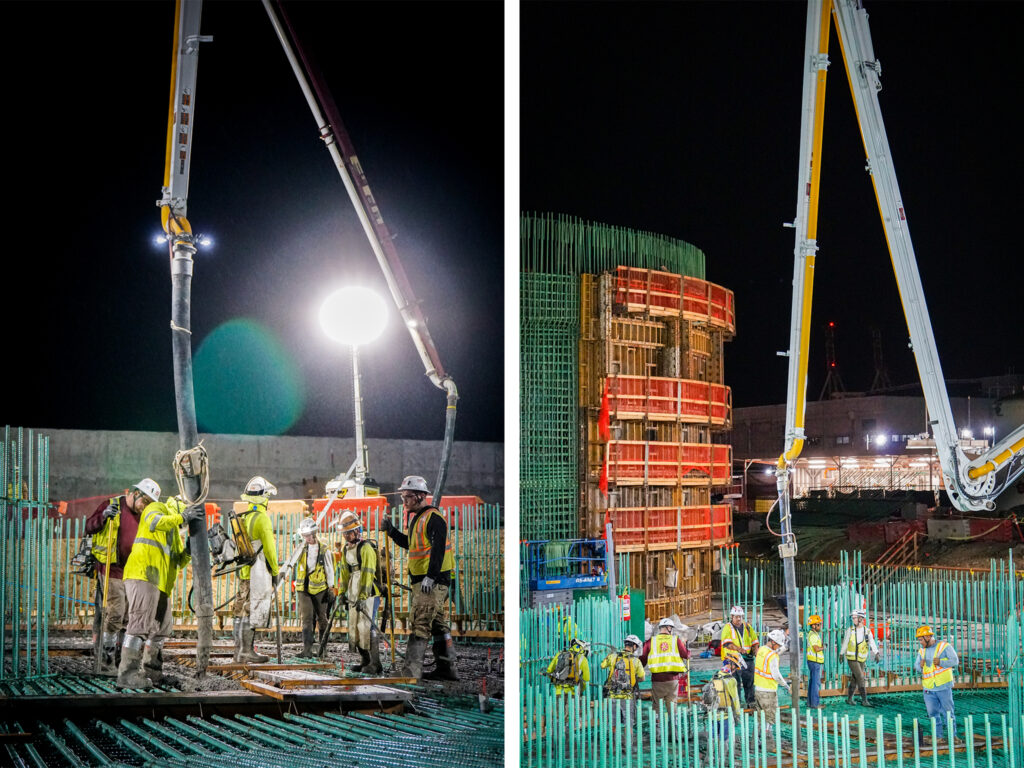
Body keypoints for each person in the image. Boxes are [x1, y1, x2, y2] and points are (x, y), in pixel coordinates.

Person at [117, 495, 201, 688]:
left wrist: (188, 551)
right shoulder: (156, 508)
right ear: (180, 507)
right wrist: (182, 517)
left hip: (160, 583)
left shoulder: (173, 532)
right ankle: (127, 674)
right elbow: (155, 523)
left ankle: (152, 672)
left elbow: (178, 561)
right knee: (140, 624)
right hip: (143, 574)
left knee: (162, 629)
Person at [381, 475, 457, 680]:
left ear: (421, 496)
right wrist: (391, 532)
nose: (404, 501)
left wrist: (430, 577)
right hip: (423, 581)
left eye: (407, 497)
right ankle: (447, 669)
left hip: (432, 582)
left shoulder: (434, 518)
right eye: (403, 497)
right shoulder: (417, 518)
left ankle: (410, 671)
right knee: (437, 624)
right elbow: (410, 544)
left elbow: (438, 550)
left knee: (420, 621)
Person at [84, 479, 160, 675]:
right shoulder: (113, 505)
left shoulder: (144, 515)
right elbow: (89, 526)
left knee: (128, 618)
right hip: (112, 570)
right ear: (136, 494)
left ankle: (121, 661)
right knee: (115, 615)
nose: (146, 507)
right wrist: (103, 517)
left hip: (133, 573)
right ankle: (105, 661)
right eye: (146, 502)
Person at [232, 476, 281, 663]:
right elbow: (269, 549)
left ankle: (239, 652)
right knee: (251, 611)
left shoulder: (245, 517)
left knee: (240, 611)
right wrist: (275, 572)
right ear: (264, 498)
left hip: (245, 572)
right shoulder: (262, 519)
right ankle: (246, 651)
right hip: (257, 572)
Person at [336, 510, 383, 673]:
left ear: (357, 531)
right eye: (344, 533)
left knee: (367, 626)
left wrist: (363, 596)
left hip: (368, 592)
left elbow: (368, 573)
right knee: (355, 625)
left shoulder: (366, 548)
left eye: (349, 533)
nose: (346, 536)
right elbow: (344, 573)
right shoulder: (345, 550)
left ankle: (376, 664)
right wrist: (342, 593)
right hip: (353, 590)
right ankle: (365, 661)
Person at [294, 516, 336, 659]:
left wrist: (331, 587)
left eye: (307, 535)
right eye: (303, 536)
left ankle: (322, 650)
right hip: (303, 589)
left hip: (320, 589)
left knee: (322, 619)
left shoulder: (324, 550)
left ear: (314, 533)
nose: (306, 538)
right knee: (306, 618)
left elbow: (330, 569)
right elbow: (292, 563)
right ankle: (307, 649)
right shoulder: (300, 548)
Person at [640, 617, 690, 737]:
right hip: (673, 681)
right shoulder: (675, 640)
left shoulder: (651, 641)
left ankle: (657, 734)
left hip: (657, 680)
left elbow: (642, 659)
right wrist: (686, 647)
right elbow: (686, 655)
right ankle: (674, 733)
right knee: (672, 705)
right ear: (669, 628)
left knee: (656, 706)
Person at [914, 625, 960, 743]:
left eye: (920, 639)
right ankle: (938, 737)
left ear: (928, 636)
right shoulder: (922, 651)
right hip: (929, 688)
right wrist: (920, 666)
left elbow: (955, 661)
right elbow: (916, 667)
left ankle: (952, 736)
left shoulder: (944, 647)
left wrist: (941, 662)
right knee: (933, 714)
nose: (920, 642)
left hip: (943, 686)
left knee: (948, 712)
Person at [601, 634, 645, 732]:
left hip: (613, 695)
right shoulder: (636, 661)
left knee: (613, 723)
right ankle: (627, 745)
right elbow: (642, 678)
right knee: (628, 723)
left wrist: (609, 656)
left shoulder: (613, 656)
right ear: (634, 646)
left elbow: (602, 665)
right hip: (628, 697)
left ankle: (614, 744)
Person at [720, 605, 759, 706]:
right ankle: (736, 704)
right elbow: (727, 643)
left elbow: (755, 641)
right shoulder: (727, 628)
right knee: (735, 683)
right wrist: (739, 649)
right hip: (733, 660)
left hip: (747, 660)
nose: (739, 619)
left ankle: (750, 702)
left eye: (741, 616)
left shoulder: (747, 627)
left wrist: (756, 652)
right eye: (737, 617)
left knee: (749, 682)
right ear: (732, 616)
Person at [840, 608, 880, 705]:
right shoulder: (850, 630)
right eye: (852, 618)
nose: (853, 620)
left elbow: (872, 642)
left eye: (855, 618)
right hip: (852, 659)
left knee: (855, 678)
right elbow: (845, 642)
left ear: (861, 619)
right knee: (861, 677)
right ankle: (864, 700)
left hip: (861, 659)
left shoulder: (867, 631)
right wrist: (841, 653)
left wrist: (876, 653)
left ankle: (849, 699)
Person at [705, 650, 743, 745]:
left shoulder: (715, 676)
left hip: (713, 714)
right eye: (735, 667)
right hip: (725, 715)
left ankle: (710, 757)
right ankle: (723, 758)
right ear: (732, 665)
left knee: (713, 739)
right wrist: (737, 714)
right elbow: (735, 699)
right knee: (725, 741)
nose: (735, 670)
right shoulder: (731, 680)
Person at [753, 629, 791, 723]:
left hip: (758, 690)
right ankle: (767, 736)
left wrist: (785, 647)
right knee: (770, 718)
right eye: (778, 644)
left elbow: (773, 653)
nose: (779, 647)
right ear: (773, 642)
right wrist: (786, 685)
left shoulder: (762, 649)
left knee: (760, 718)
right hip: (768, 692)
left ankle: (759, 736)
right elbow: (776, 675)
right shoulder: (772, 656)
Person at [805, 614, 825, 709]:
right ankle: (815, 704)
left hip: (813, 661)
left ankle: (810, 702)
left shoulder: (814, 634)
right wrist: (823, 647)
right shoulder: (813, 635)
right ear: (813, 625)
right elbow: (816, 649)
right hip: (814, 662)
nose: (820, 626)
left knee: (812, 682)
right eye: (818, 624)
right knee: (815, 683)